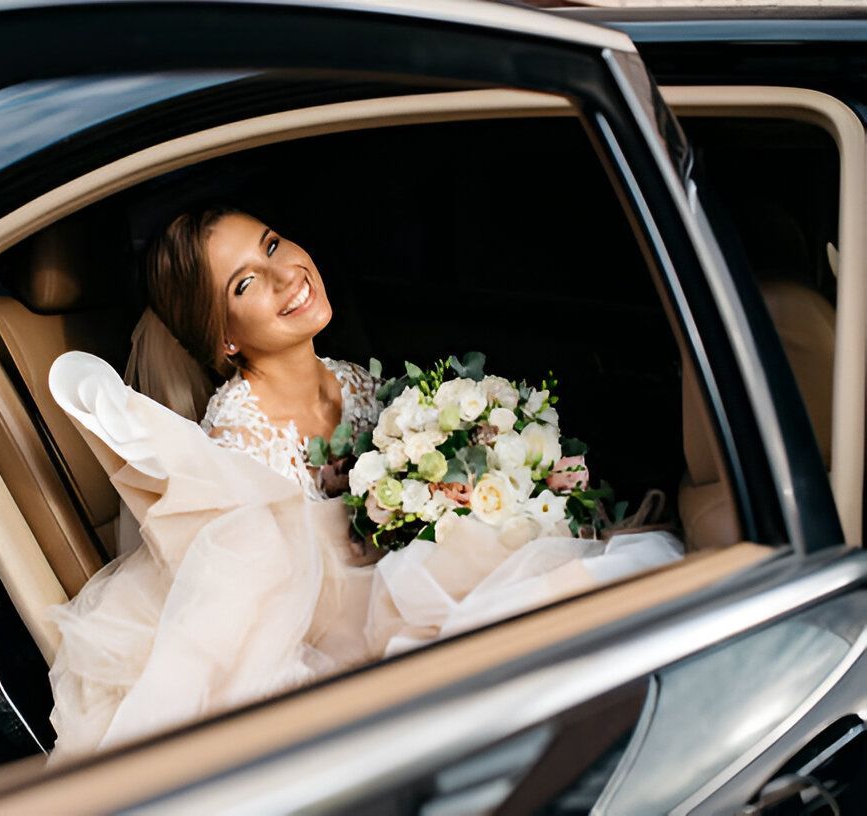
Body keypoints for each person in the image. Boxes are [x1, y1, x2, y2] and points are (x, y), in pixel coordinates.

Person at [45, 206, 682, 762]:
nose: (284, 274)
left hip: (399, 589)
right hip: (329, 636)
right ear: (225, 338)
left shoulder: (353, 379)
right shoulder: (239, 439)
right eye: (245, 283)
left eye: (272, 245)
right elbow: (272, 603)